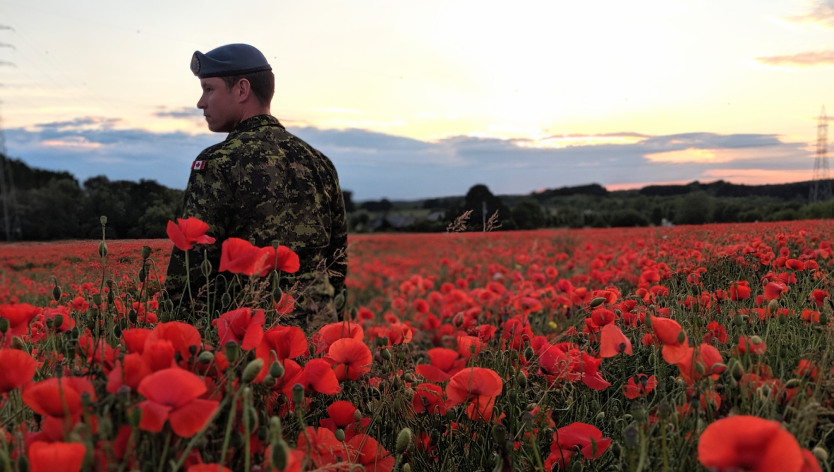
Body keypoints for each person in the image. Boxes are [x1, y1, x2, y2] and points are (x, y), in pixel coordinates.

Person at [164, 43, 348, 330]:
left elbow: (193, 265)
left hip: (249, 335)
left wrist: (176, 332)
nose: (201, 102)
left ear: (241, 90)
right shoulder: (319, 162)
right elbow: (337, 263)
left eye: (209, 89)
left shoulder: (219, 161)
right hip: (319, 334)